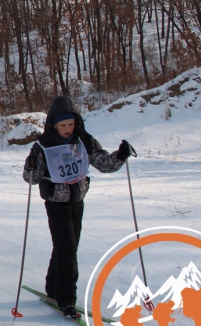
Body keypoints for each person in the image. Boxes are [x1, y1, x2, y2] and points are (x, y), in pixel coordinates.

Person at [22, 96, 131, 319]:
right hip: (56, 204)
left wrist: (120, 155)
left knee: (64, 249)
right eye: (63, 125)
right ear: (53, 124)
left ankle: (53, 289)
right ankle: (67, 301)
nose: (67, 129)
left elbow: (105, 165)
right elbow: (31, 179)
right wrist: (30, 166)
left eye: (71, 124)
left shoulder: (84, 141)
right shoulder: (43, 146)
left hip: (77, 202)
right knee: (68, 251)